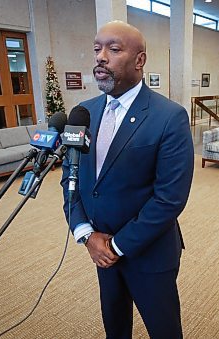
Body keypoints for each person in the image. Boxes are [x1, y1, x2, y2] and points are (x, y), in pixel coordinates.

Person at [61, 21, 194, 339]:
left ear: (140, 60)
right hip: (99, 250)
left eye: (113, 49)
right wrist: (87, 236)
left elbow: (169, 198)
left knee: (164, 331)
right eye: (97, 49)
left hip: (148, 253)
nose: (101, 57)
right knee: (115, 328)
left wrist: (116, 246)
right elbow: (71, 179)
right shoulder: (83, 113)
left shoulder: (169, 116)